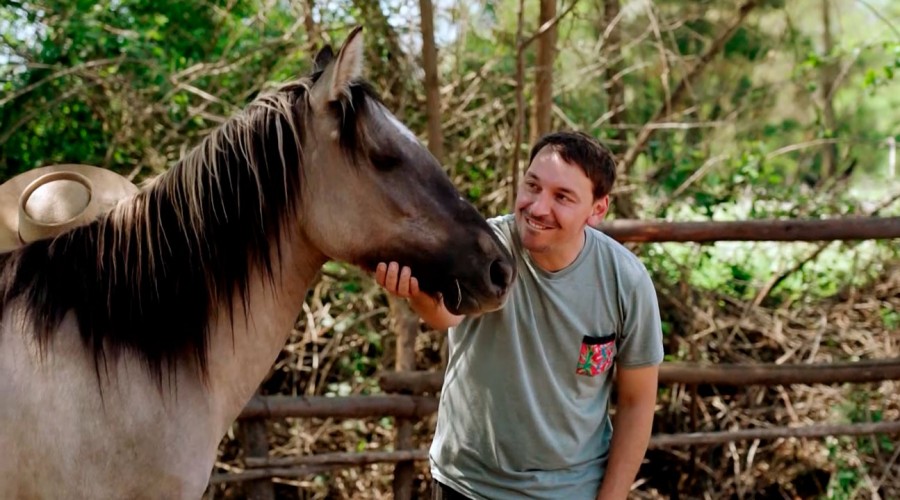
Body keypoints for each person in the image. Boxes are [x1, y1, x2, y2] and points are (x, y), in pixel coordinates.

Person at [375, 131, 664, 500]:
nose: (538, 207)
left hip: (572, 489)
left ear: (597, 209)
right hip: (466, 484)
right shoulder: (484, 248)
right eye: (533, 186)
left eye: (562, 197)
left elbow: (637, 401)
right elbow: (446, 316)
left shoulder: (625, 280)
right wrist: (415, 293)